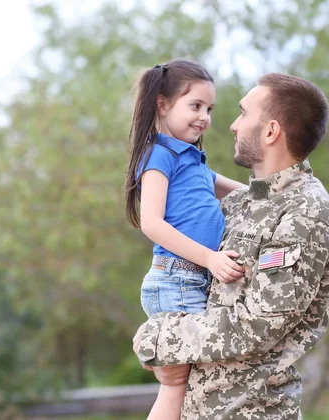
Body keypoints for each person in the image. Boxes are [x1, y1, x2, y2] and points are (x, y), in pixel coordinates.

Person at [132, 72, 329, 419]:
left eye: (243, 113)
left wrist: (158, 338)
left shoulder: (307, 213)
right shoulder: (247, 201)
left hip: (251, 411)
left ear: (270, 131)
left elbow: (259, 325)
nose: (232, 125)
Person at [124, 58, 246, 420]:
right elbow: (152, 224)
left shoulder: (193, 160)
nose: (204, 117)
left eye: (208, 109)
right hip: (175, 280)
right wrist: (210, 259)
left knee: (195, 385)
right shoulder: (159, 155)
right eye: (195, 106)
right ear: (162, 104)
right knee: (177, 384)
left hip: (191, 280)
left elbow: (244, 192)